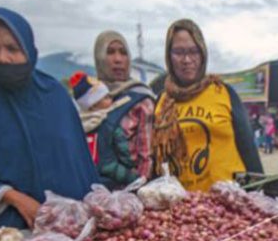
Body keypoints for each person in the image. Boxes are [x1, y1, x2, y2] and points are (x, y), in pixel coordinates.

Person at [0, 7, 100, 229]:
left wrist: (91, 208)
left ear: (28, 49)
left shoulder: (53, 93)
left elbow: (79, 158)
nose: (2, 58)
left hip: (72, 220)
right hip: (16, 223)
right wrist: (13, 197)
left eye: (12, 48)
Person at [152, 19, 263, 191]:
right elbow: (156, 161)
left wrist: (260, 192)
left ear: (203, 53)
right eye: (179, 52)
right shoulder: (161, 101)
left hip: (229, 206)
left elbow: (248, 150)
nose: (187, 59)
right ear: (168, 56)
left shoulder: (223, 92)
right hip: (181, 210)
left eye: (193, 51)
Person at [93, 30, 155, 180]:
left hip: (128, 194)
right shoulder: (89, 98)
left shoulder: (141, 100)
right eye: (110, 52)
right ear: (99, 58)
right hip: (90, 192)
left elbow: (147, 161)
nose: (118, 59)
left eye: (123, 53)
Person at [70, 71, 142, 190]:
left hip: (87, 172)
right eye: (106, 98)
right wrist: (130, 164)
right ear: (93, 104)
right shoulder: (109, 121)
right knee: (133, 178)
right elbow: (123, 147)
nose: (111, 99)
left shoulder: (79, 123)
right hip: (109, 166)